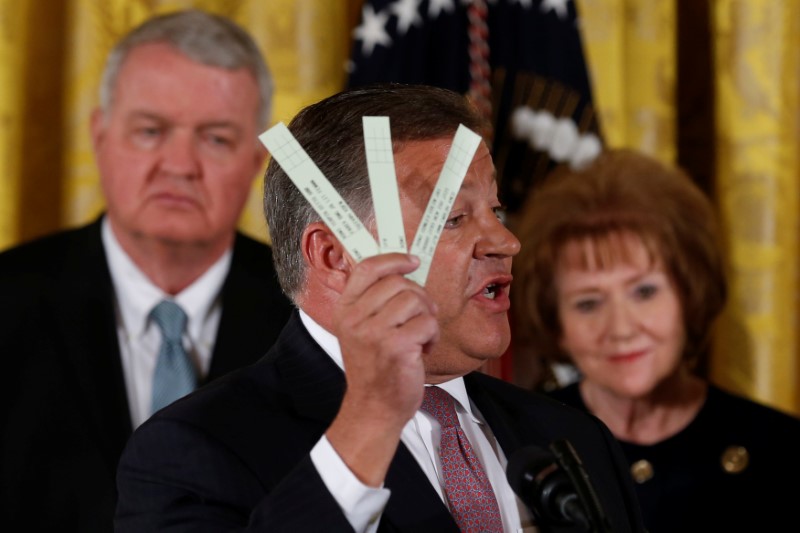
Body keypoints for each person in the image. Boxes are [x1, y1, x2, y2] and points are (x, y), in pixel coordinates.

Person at [114, 83, 645, 532]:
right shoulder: (191, 451)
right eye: (454, 219)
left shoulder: (572, 438)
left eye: (496, 210)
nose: (506, 242)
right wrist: (369, 420)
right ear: (334, 256)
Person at [0, 9, 293, 532]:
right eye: (151, 130)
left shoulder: (314, 316)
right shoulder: (7, 301)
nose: (180, 165)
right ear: (100, 135)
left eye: (217, 138)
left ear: (255, 162)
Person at [512, 148, 800, 532]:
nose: (621, 328)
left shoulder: (783, 450)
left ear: (689, 294)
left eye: (644, 292)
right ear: (556, 323)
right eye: (588, 303)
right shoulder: (519, 445)